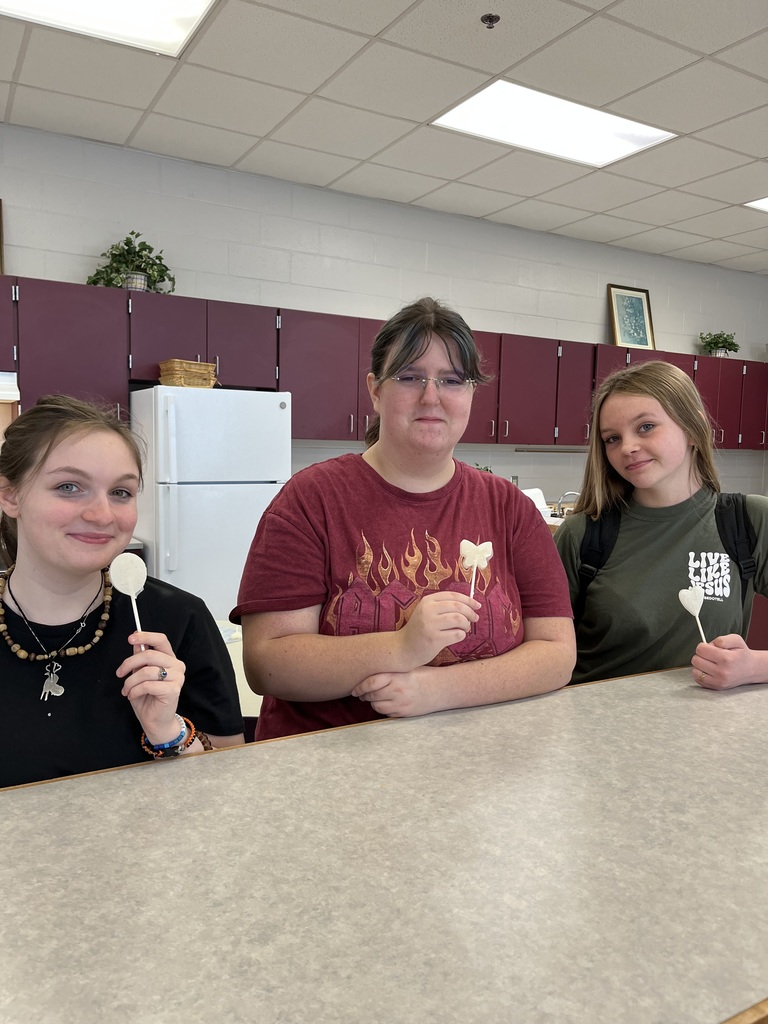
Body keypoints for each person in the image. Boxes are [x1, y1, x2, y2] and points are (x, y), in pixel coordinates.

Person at [233, 297, 576, 740]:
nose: (431, 396)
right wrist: (401, 646)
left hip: (480, 763)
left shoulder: (509, 509)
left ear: (471, 392)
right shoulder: (311, 500)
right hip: (328, 768)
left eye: (452, 380)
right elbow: (270, 666)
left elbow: (556, 654)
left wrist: (437, 691)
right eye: (410, 376)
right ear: (375, 389)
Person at [0, 395, 244, 789]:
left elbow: (229, 777)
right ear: (10, 495)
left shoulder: (179, 619)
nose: (102, 515)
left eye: (121, 492)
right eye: (69, 487)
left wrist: (169, 730)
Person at [555, 360, 768, 688]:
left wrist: (754, 666)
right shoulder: (582, 535)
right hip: (597, 730)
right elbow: (537, 650)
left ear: (693, 428)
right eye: (612, 438)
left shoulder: (748, 520)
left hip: (707, 732)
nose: (627, 447)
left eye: (645, 427)